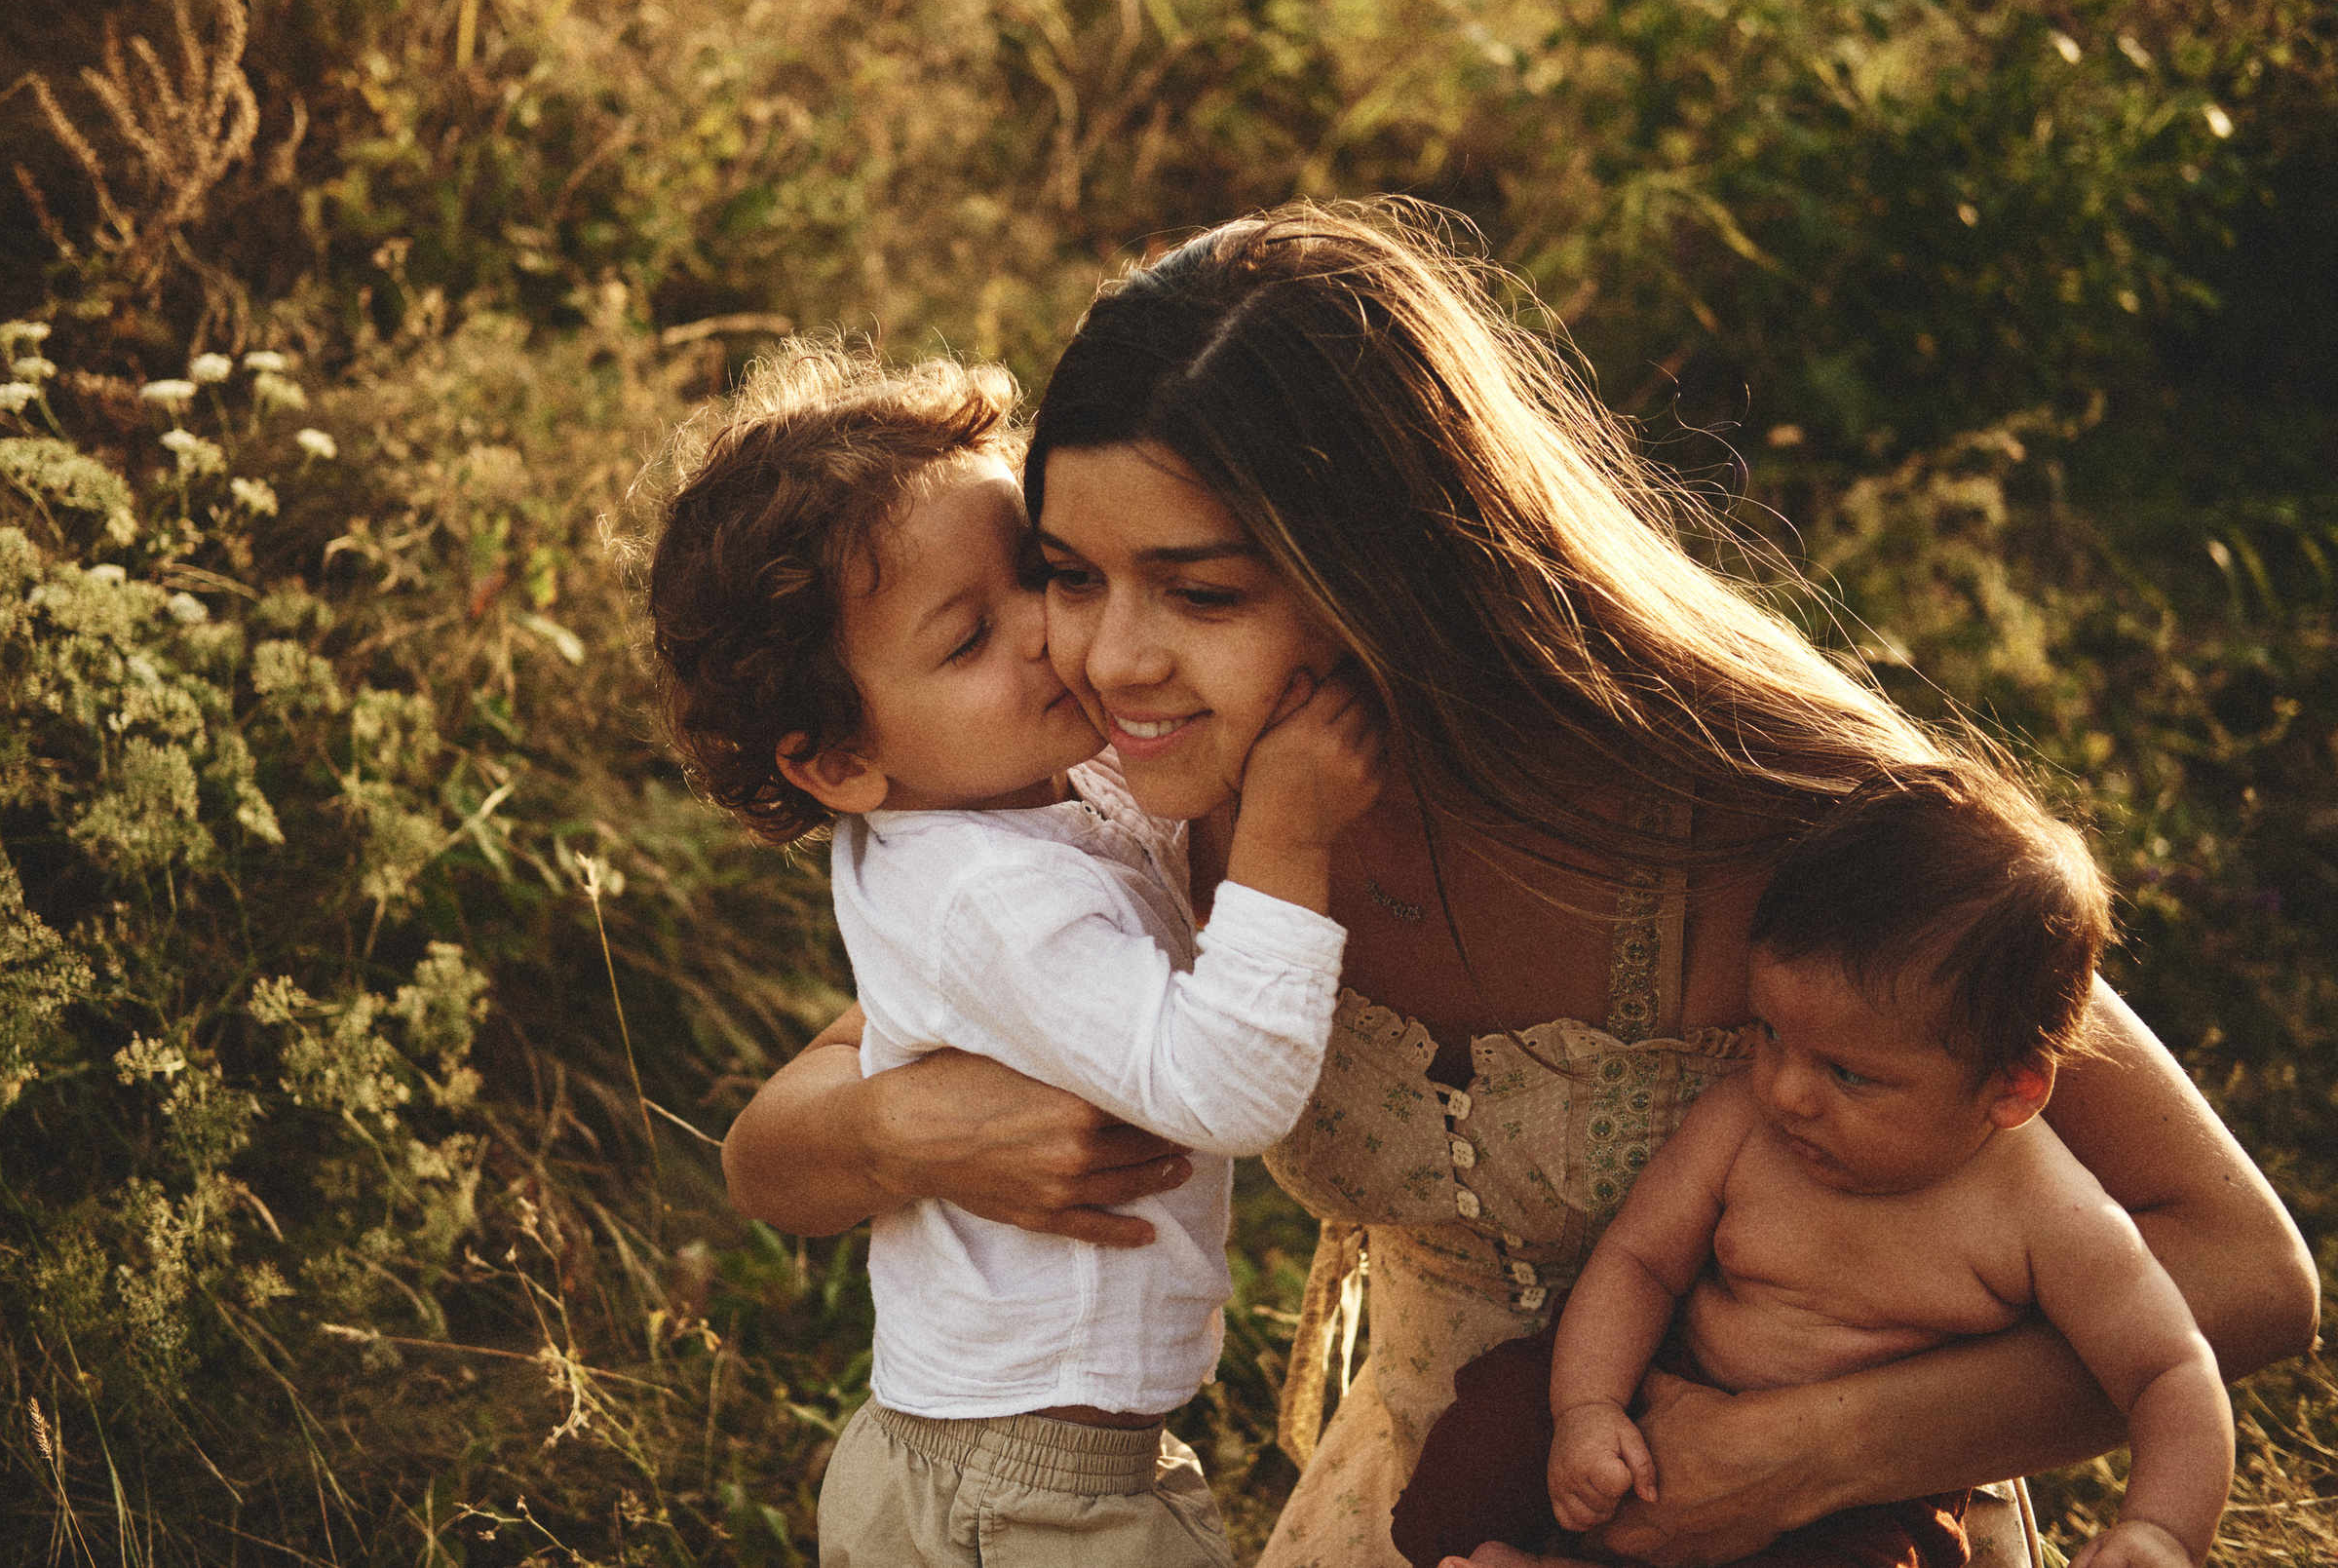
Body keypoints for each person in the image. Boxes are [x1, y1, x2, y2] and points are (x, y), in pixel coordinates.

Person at [715, 202, 2319, 1568]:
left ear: (1388, 578)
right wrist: (894, 1125)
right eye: (1065, 574)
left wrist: (1822, 1444)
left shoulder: (1774, 815)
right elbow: (774, 1154)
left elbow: (2246, 1268)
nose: (1110, 657)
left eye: (1196, 589)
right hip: (1421, 1500)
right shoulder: (1154, 797)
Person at [646, 341, 1384, 1567]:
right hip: (1036, 1491)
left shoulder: (990, 794)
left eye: (1037, 576)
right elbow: (1228, 1089)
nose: (1053, 637)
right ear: (837, 765)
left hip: (972, 1453)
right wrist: (1290, 828)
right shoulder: (982, 891)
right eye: (967, 639)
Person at [1393, 756, 2233, 1568]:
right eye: (1770, 1034)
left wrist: (2162, 1527)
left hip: (1860, 1500)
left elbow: (2170, 1370)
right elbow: (1639, 1260)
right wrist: (1588, 1406)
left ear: (2011, 1089)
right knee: (1487, 1437)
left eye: (1848, 1071)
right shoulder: (1744, 1125)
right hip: (1667, 1378)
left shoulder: (2049, 1215)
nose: (1787, 1089)